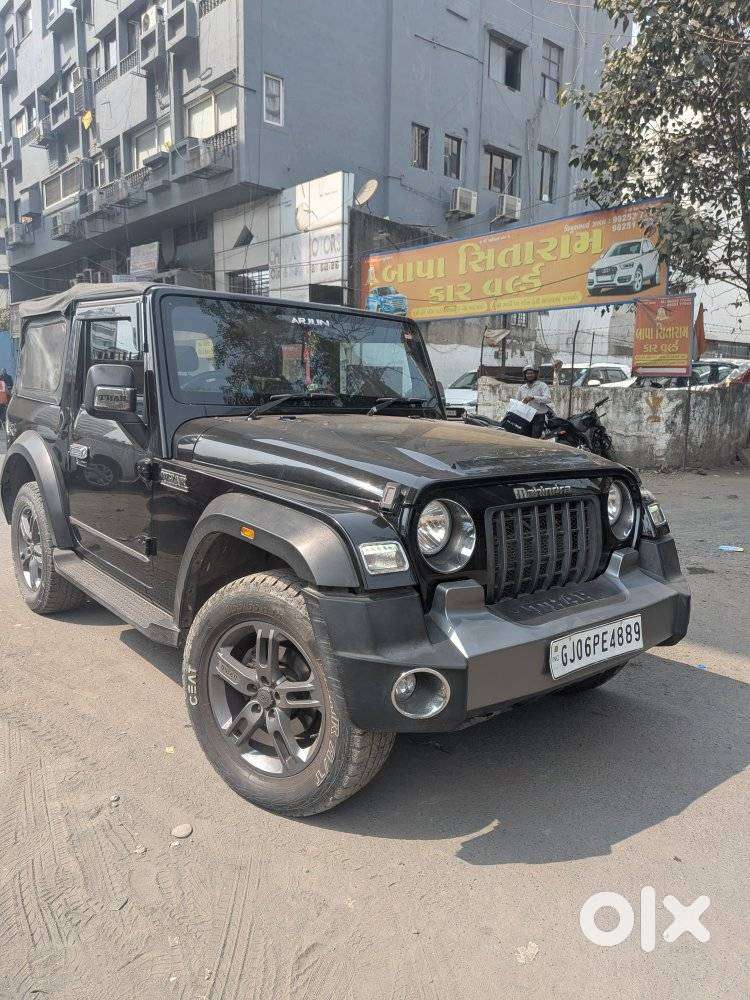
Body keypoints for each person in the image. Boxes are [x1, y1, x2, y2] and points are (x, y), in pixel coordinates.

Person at [517, 364, 551, 437]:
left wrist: (533, 398)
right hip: (525, 417)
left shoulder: (542, 385)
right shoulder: (522, 388)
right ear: (525, 375)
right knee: (524, 437)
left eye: (532, 373)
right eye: (527, 373)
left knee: (535, 438)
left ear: (536, 374)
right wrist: (522, 402)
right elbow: (518, 402)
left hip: (538, 417)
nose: (530, 375)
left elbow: (548, 399)